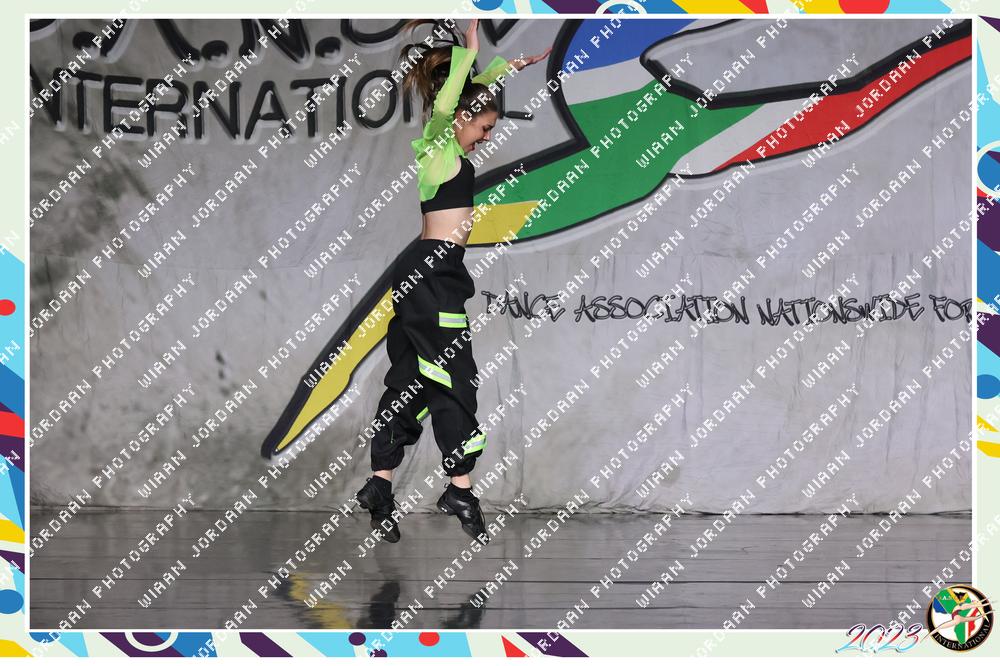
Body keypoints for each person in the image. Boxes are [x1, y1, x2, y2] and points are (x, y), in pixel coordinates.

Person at [354, 18, 550, 544]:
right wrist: (471, 45)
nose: (487, 138)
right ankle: (460, 488)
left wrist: (508, 67)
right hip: (432, 272)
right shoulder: (440, 149)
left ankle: (379, 483)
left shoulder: (451, 151)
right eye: (484, 128)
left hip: (427, 272)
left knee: (412, 378)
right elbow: (449, 108)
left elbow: (465, 98)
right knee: (455, 375)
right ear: (462, 119)